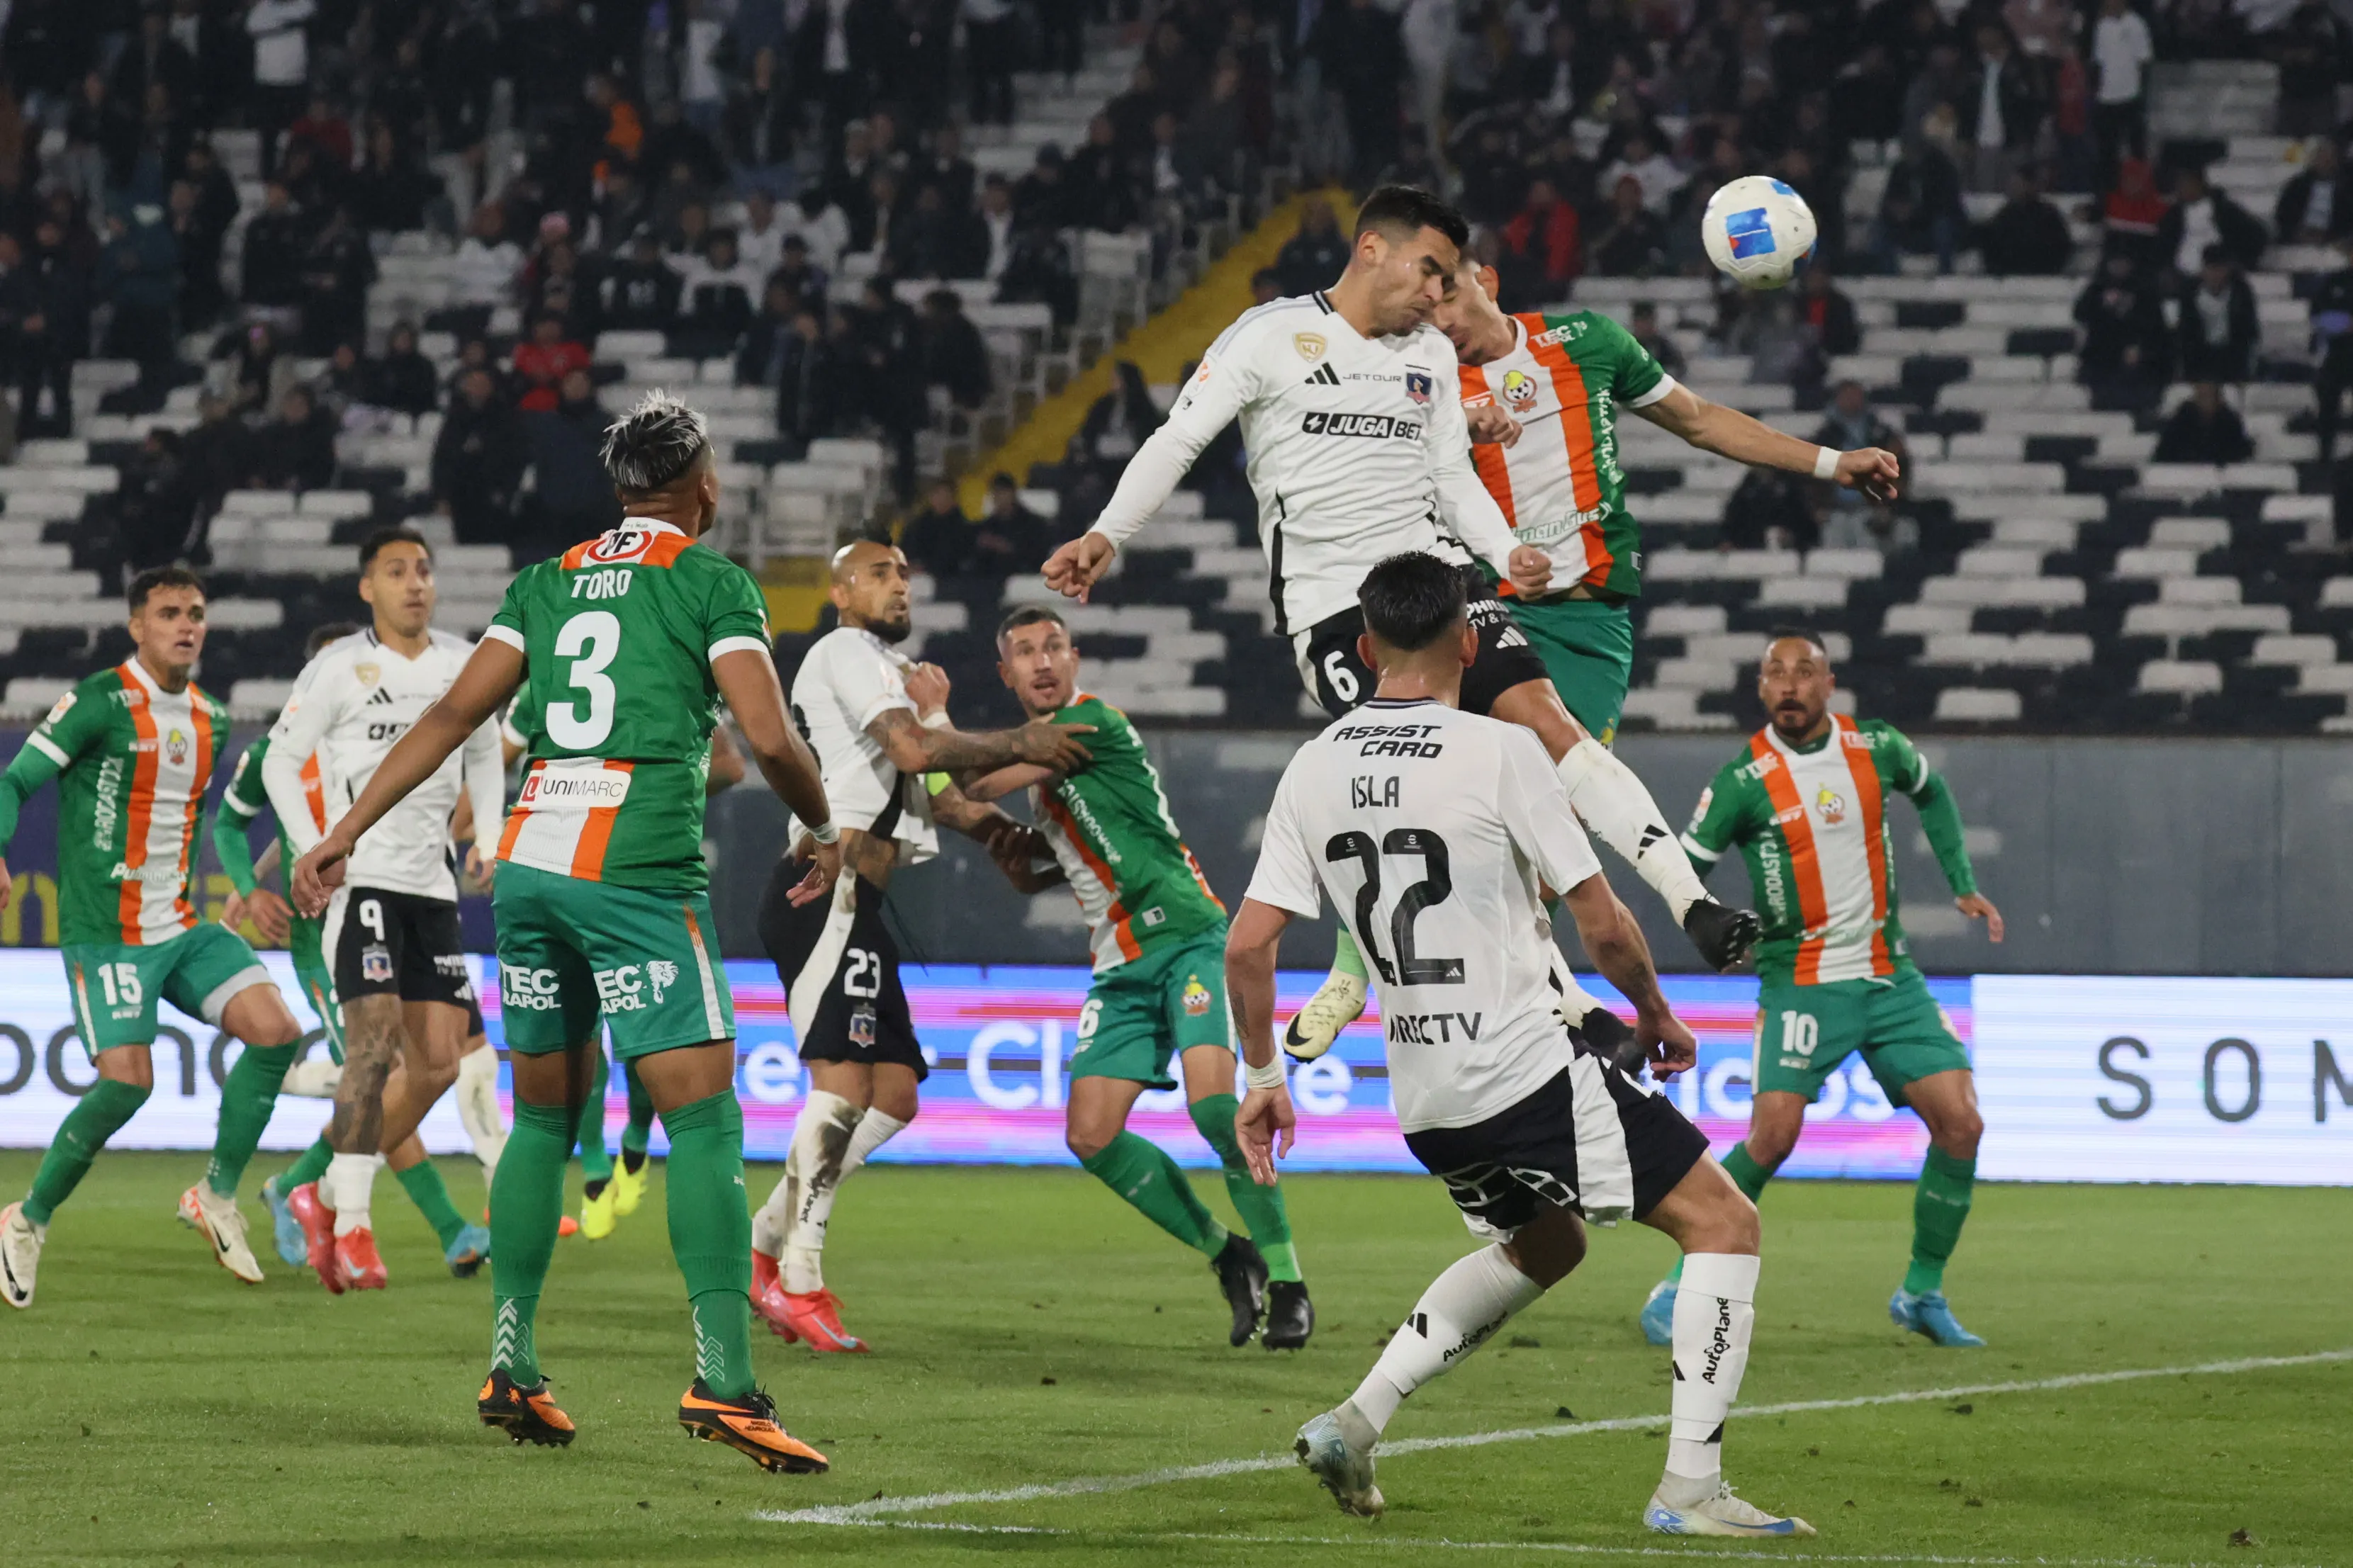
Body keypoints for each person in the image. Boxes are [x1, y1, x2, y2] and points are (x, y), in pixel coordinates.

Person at [1042, 184, 1753, 1059]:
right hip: (1338, 615)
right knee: (1446, 801)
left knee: (1546, 726)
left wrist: (1504, 552)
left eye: (1448, 278)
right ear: (1370, 248)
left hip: (1443, 581)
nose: (1435, 295)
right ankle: (1562, 1004)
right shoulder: (1267, 338)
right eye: (1429, 270)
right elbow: (1176, 440)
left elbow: (1453, 478)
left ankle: (1693, 904)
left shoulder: (1426, 356)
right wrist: (1106, 533)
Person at [291, 392, 843, 1471]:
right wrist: (823, 823)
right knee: (704, 1123)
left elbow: (453, 719)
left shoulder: (546, 581)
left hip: (533, 871)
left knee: (544, 1118)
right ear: (698, 484)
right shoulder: (709, 579)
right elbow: (768, 733)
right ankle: (724, 1384)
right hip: (634, 869)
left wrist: (343, 833)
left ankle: (515, 1363)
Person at [1228, 553, 1807, 1539]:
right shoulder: (1499, 751)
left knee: (1546, 1241)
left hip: (1424, 1097)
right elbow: (1605, 923)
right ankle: (1691, 1489)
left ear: (1365, 648)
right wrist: (1658, 1016)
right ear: (1469, 642)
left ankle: (1356, 1421)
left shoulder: (1314, 763)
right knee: (1725, 1223)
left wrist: (1264, 1076)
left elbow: (1248, 944)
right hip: (1522, 1068)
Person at [1438, 250, 1897, 943]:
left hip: (1587, 622)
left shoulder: (1587, 341)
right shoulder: (1424, 384)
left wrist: (1831, 464)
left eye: (1448, 297)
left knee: (1545, 843)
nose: (1438, 319)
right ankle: (1352, 972)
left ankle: (1534, 1004)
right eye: (1423, 308)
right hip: (1479, 611)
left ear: (1487, 281)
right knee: (1432, 801)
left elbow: (1699, 418)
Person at [748, 540, 1091, 1353]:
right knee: (840, 1089)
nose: (897, 582)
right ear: (838, 591)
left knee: (893, 1093)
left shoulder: (885, 669)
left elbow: (929, 790)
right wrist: (1020, 741)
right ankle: (799, 1277)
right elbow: (913, 753)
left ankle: (764, 1240)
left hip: (862, 901)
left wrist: (1005, 835)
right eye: (877, 572)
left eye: (904, 571)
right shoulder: (844, 650)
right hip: (821, 890)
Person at [1640, 631, 2002, 1351]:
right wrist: (1703, 920)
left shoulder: (1875, 747)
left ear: (1827, 683)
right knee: (1771, 1137)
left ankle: (1920, 1291)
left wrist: (1961, 882)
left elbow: (1931, 792)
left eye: (1802, 672)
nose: (1789, 685)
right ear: (1759, 688)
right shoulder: (1743, 780)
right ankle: (1680, 1282)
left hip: (1886, 974)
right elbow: (1681, 866)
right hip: (1800, 980)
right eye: (1775, 673)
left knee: (1960, 1124)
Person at [962, 607, 1310, 1348]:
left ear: (1075, 657)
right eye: (1024, 651)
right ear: (1006, 672)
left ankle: (1288, 1280)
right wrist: (999, 839)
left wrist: (920, 734)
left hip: (1187, 937)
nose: (1042, 660)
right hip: (1120, 963)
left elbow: (973, 775)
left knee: (1218, 1110)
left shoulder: (1091, 725)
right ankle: (1230, 1253)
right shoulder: (1046, 776)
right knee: (1089, 1133)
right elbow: (1046, 868)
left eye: (1053, 645)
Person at [0, 569, 310, 1308]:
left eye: (197, 613)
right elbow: (14, 781)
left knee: (276, 1031)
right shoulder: (98, 701)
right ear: (136, 625)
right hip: (106, 934)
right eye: (169, 612)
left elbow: (191, 820)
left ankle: (214, 1193)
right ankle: (26, 1218)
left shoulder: (211, 715)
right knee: (128, 1081)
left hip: (178, 925)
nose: (187, 625)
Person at [259, 529, 507, 1292]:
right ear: (367, 587)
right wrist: (314, 848)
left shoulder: (461, 662)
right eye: (396, 571)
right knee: (371, 1044)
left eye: (424, 570)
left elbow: (484, 751)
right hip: (359, 883)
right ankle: (355, 1227)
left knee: (437, 1064)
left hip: (431, 888)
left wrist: (490, 841)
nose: (414, 583)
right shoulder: (337, 667)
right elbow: (276, 758)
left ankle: (320, 1190)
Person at [2176, 244, 2260, 385]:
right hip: (2200, 356)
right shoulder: (2190, 293)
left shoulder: (2241, 293)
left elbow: (2249, 329)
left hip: (2232, 356)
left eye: (2219, 269)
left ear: (2227, 270)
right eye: (2211, 269)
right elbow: (2185, 331)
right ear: (2203, 269)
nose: (2215, 275)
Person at [1977, 165, 2075, 275]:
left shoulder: (2049, 215)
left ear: (2031, 185)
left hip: (2042, 274)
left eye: (2018, 184)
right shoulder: (2005, 215)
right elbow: (1993, 246)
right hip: (2008, 276)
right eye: (2013, 184)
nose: (2013, 188)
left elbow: (2061, 248)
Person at [2154, 380, 2255, 465]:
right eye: (2202, 396)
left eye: (2209, 396)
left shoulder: (2230, 421)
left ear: (2218, 397)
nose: (2205, 401)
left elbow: (2241, 455)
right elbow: (2164, 454)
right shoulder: (2181, 419)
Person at [2276, 140, 2353, 244]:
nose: (2325, 162)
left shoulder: (2346, 190)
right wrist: (2296, 233)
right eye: (2321, 157)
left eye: (2329, 158)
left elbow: (2347, 219)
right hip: (2299, 239)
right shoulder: (2297, 186)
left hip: (2333, 242)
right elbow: (2284, 215)